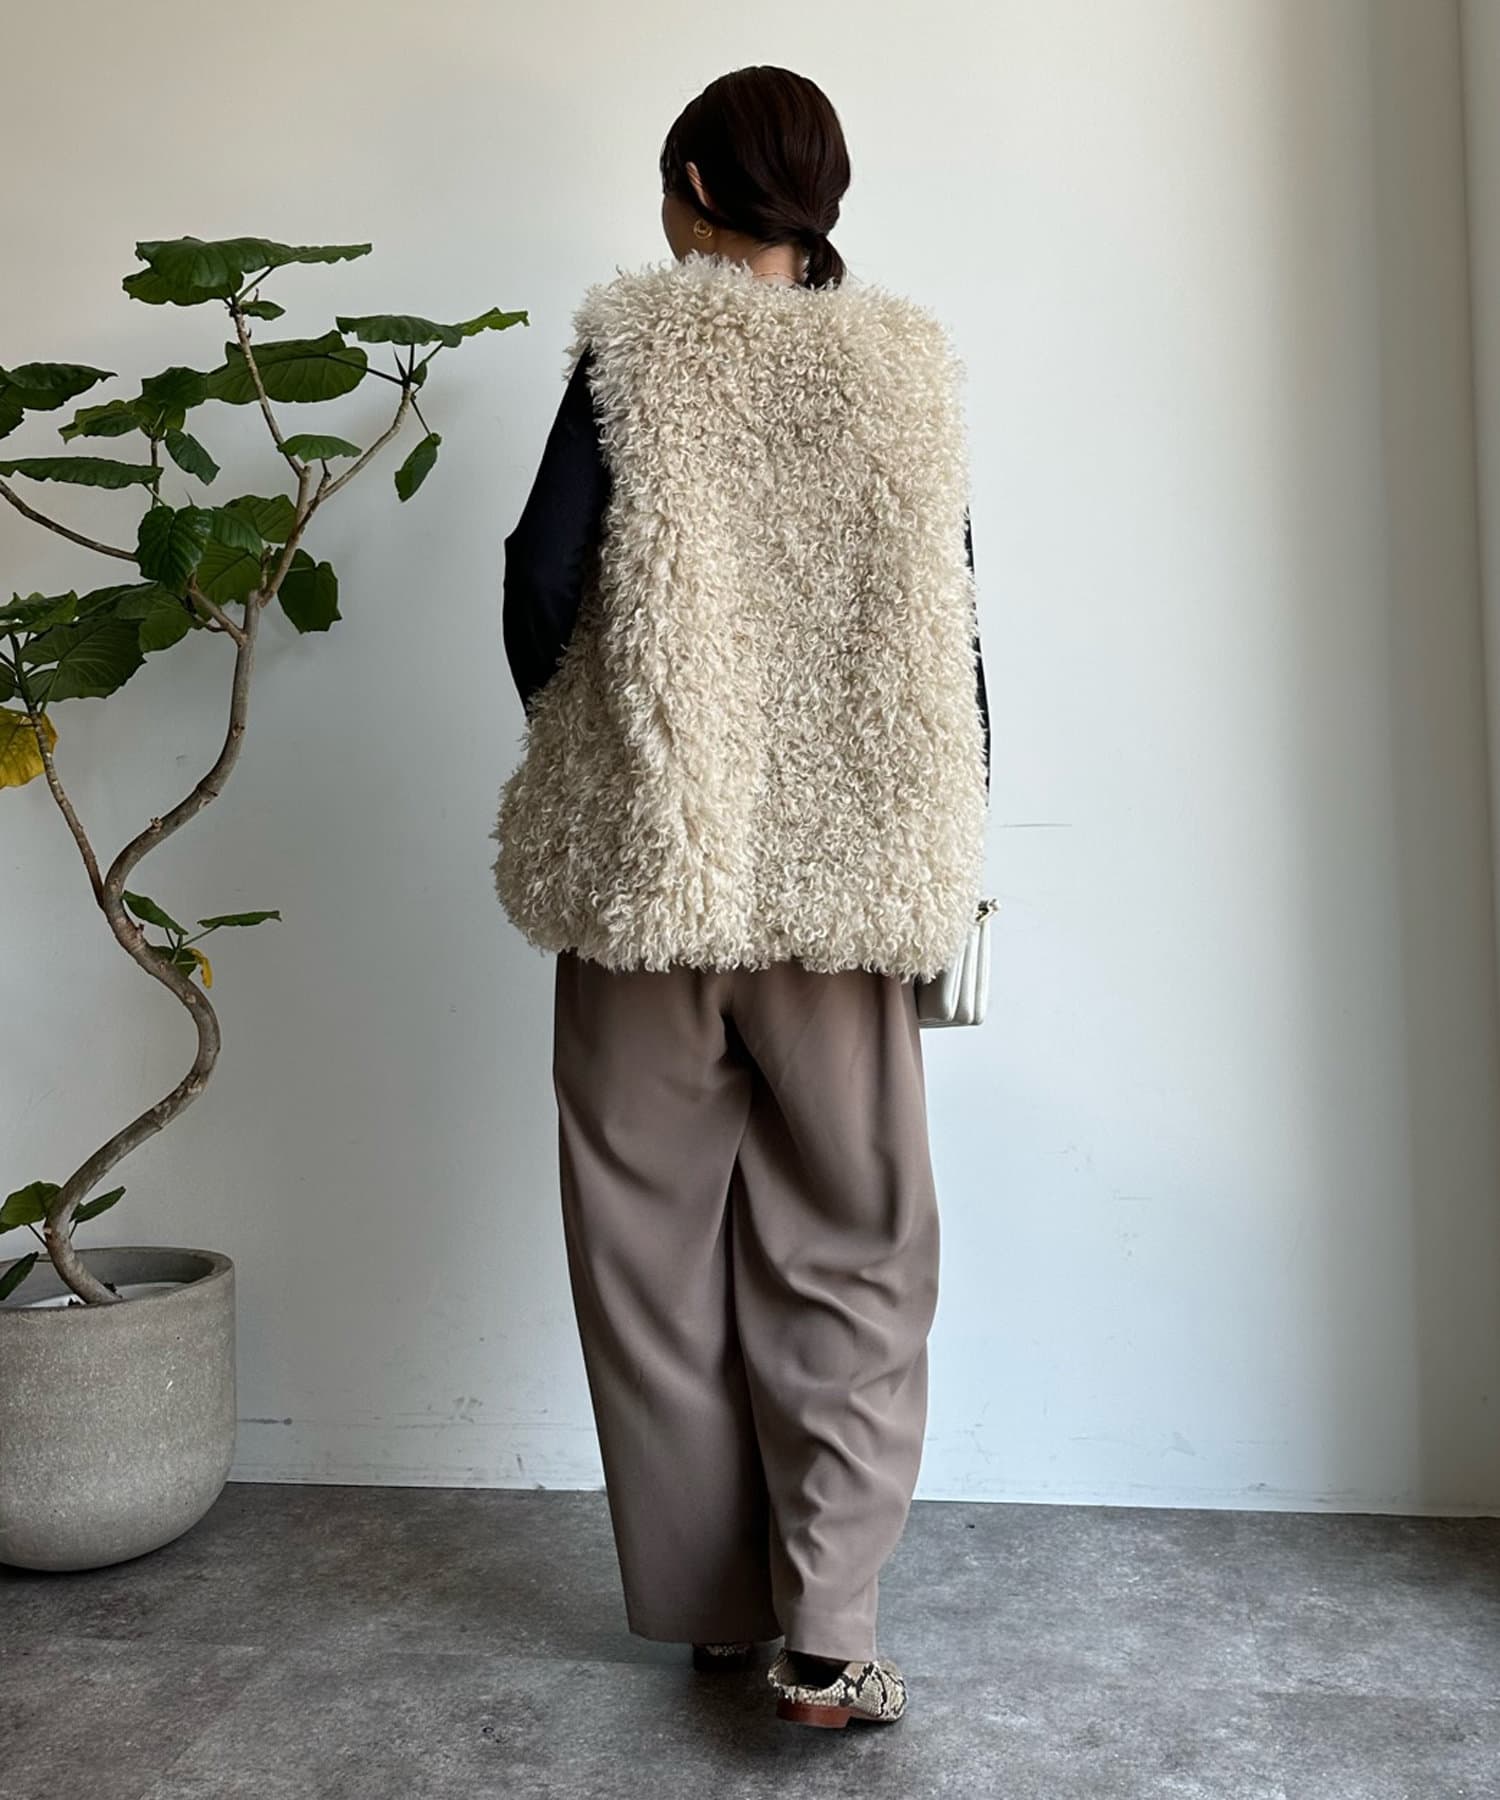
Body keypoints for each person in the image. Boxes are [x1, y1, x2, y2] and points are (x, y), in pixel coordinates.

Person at [491, 65, 990, 1731]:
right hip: (841, 886)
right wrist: (944, 835)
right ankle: (827, 1628)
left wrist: (609, 745)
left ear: (698, 186)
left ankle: (717, 1609)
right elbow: (952, 626)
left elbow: (540, 579)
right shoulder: (901, 365)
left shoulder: (632, 350)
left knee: (647, 1248)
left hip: (651, 874)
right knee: (857, 1241)